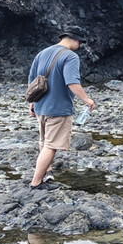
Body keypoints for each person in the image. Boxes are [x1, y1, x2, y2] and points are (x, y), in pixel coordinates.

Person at [27, 26, 95, 190]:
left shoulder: (42, 53)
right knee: (51, 146)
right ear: (76, 40)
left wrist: (32, 103)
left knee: (44, 142)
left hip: (41, 106)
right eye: (80, 43)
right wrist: (87, 100)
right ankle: (36, 182)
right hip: (58, 109)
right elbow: (71, 82)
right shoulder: (71, 57)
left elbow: (32, 80)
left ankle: (47, 172)